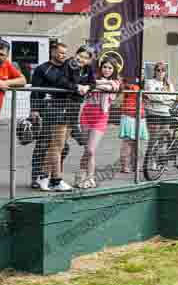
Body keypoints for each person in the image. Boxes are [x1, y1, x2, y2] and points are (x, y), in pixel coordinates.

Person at [43, 45, 96, 192]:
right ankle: (56, 180)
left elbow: (93, 83)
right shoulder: (69, 64)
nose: (82, 59)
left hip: (74, 107)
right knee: (58, 144)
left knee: (60, 144)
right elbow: (61, 81)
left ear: (89, 60)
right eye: (80, 55)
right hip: (61, 105)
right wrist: (77, 87)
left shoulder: (88, 68)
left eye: (86, 57)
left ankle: (43, 177)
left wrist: (87, 88)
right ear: (76, 54)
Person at [30, 42, 71, 189]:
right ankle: (36, 178)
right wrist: (34, 110)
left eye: (65, 53)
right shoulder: (42, 68)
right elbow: (35, 90)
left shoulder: (68, 68)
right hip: (46, 110)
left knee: (63, 147)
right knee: (42, 144)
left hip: (64, 110)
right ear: (53, 52)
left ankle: (54, 176)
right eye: (60, 53)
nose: (63, 56)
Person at [76, 58, 121, 188]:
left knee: (91, 149)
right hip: (86, 114)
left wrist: (91, 86)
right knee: (87, 149)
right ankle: (83, 176)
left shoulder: (116, 82)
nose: (107, 70)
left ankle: (90, 177)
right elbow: (85, 84)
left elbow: (111, 87)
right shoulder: (92, 79)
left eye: (110, 68)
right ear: (101, 68)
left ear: (114, 70)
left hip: (100, 117)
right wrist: (91, 85)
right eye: (105, 67)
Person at [0, 39, 26, 153]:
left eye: (1, 54)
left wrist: (6, 83)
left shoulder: (6, 64)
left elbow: (22, 80)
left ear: (6, 56)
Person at [144, 61, 177, 153]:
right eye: (158, 70)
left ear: (165, 72)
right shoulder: (150, 82)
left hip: (166, 112)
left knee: (163, 137)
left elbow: (173, 97)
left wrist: (161, 98)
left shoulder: (169, 84)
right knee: (153, 137)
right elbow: (152, 95)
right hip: (153, 112)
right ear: (155, 71)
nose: (160, 72)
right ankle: (149, 160)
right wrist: (164, 98)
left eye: (163, 70)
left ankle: (159, 161)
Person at [118, 76, 148, 174]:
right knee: (128, 142)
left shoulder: (144, 87)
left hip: (141, 116)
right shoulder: (130, 86)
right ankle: (125, 165)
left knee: (137, 143)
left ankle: (136, 165)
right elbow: (122, 86)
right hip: (129, 115)